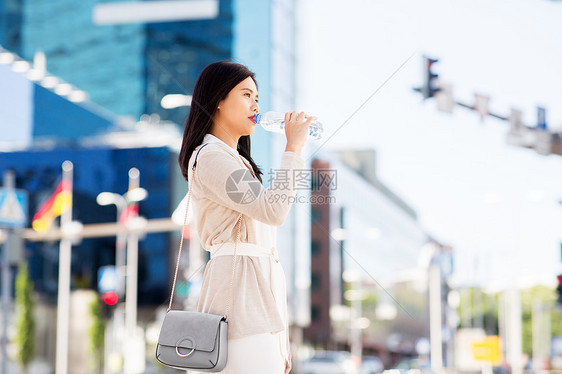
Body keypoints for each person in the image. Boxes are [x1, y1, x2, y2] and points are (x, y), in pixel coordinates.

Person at [178, 61, 316, 374]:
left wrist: (280, 339)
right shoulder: (211, 157)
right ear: (218, 100)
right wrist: (293, 146)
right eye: (246, 94)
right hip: (238, 306)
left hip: (255, 307)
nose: (255, 105)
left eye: (257, 98)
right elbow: (273, 210)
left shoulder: (233, 160)